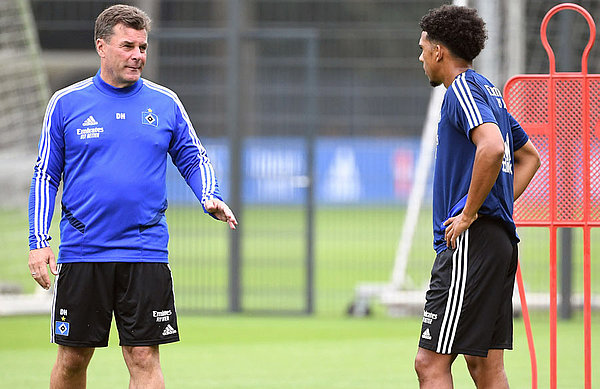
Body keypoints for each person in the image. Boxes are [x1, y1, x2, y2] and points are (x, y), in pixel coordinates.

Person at [27, 4, 237, 388]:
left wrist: (209, 194)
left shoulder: (165, 102)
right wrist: (39, 242)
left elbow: (193, 156)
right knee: (73, 358)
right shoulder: (66, 103)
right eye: (127, 46)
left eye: (143, 47)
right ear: (101, 46)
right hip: (84, 250)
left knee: (143, 355)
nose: (138, 55)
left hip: (145, 250)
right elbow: (45, 176)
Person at [414, 5, 540, 389]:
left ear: (439, 51)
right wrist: (494, 206)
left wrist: (471, 213)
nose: (420, 57)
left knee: (430, 363)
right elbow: (530, 157)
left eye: (422, 48)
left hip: (472, 241)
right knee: (484, 365)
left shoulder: (463, 90)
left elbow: (492, 148)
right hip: (497, 240)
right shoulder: (489, 91)